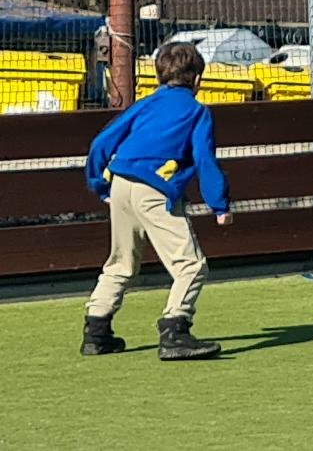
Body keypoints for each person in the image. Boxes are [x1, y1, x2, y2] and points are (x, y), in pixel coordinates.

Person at [81, 42, 232, 361]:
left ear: (158, 76)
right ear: (198, 79)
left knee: (121, 262)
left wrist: (100, 184)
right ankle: (174, 331)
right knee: (190, 265)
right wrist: (219, 205)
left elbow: (100, 143)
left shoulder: (144, 105)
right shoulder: (197, 112)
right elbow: (205, 160)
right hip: (156, 189)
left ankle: (96, 331)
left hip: (121, 184)